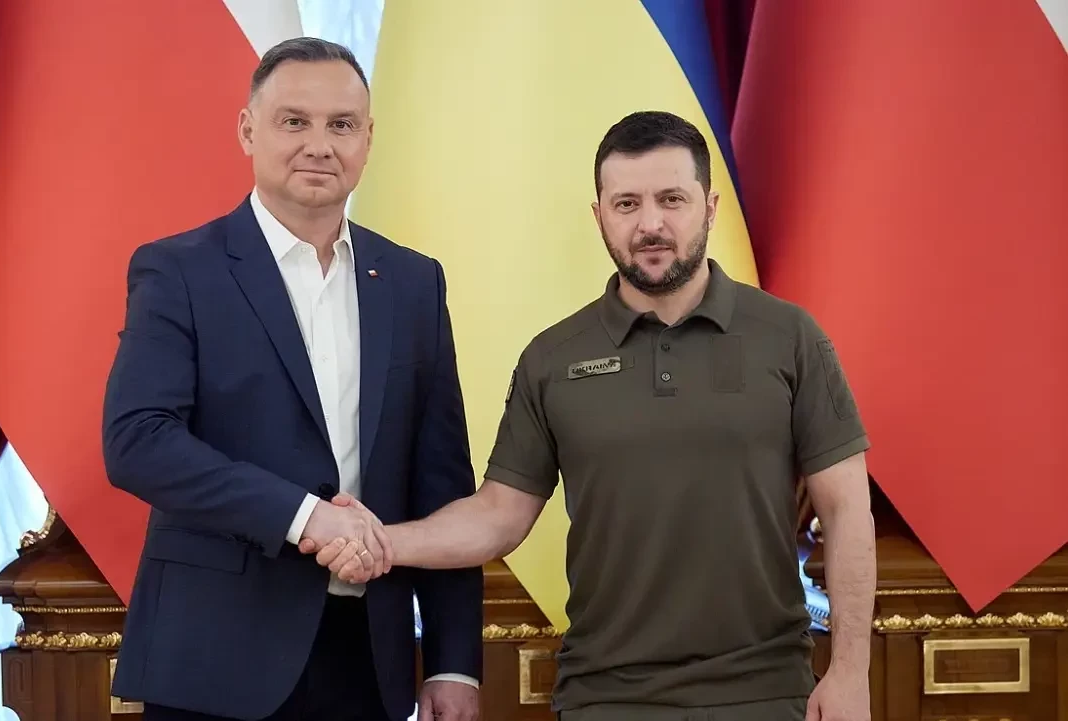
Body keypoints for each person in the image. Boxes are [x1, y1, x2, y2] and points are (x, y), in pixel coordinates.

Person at [308, 111, 875, 721]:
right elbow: (498, 517)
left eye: (672, 199)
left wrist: (850, 673)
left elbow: (846, 510)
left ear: (709, 208)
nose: (650, 224)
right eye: (627, 204)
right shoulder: (553, 359)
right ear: (599, 215)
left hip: (767, 693)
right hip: (603, 696)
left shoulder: (790, 338)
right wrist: (380, 541)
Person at [102, 38, 482, 721]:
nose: (319, 145)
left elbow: (442, 481)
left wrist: (453, 661)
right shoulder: (178, 270)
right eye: (294, 121)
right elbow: (138, 441)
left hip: (368, 660)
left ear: (368, 139)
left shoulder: (413, 282)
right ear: (248, 130)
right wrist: (306, 516)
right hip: (216, 658)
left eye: (342, 125)